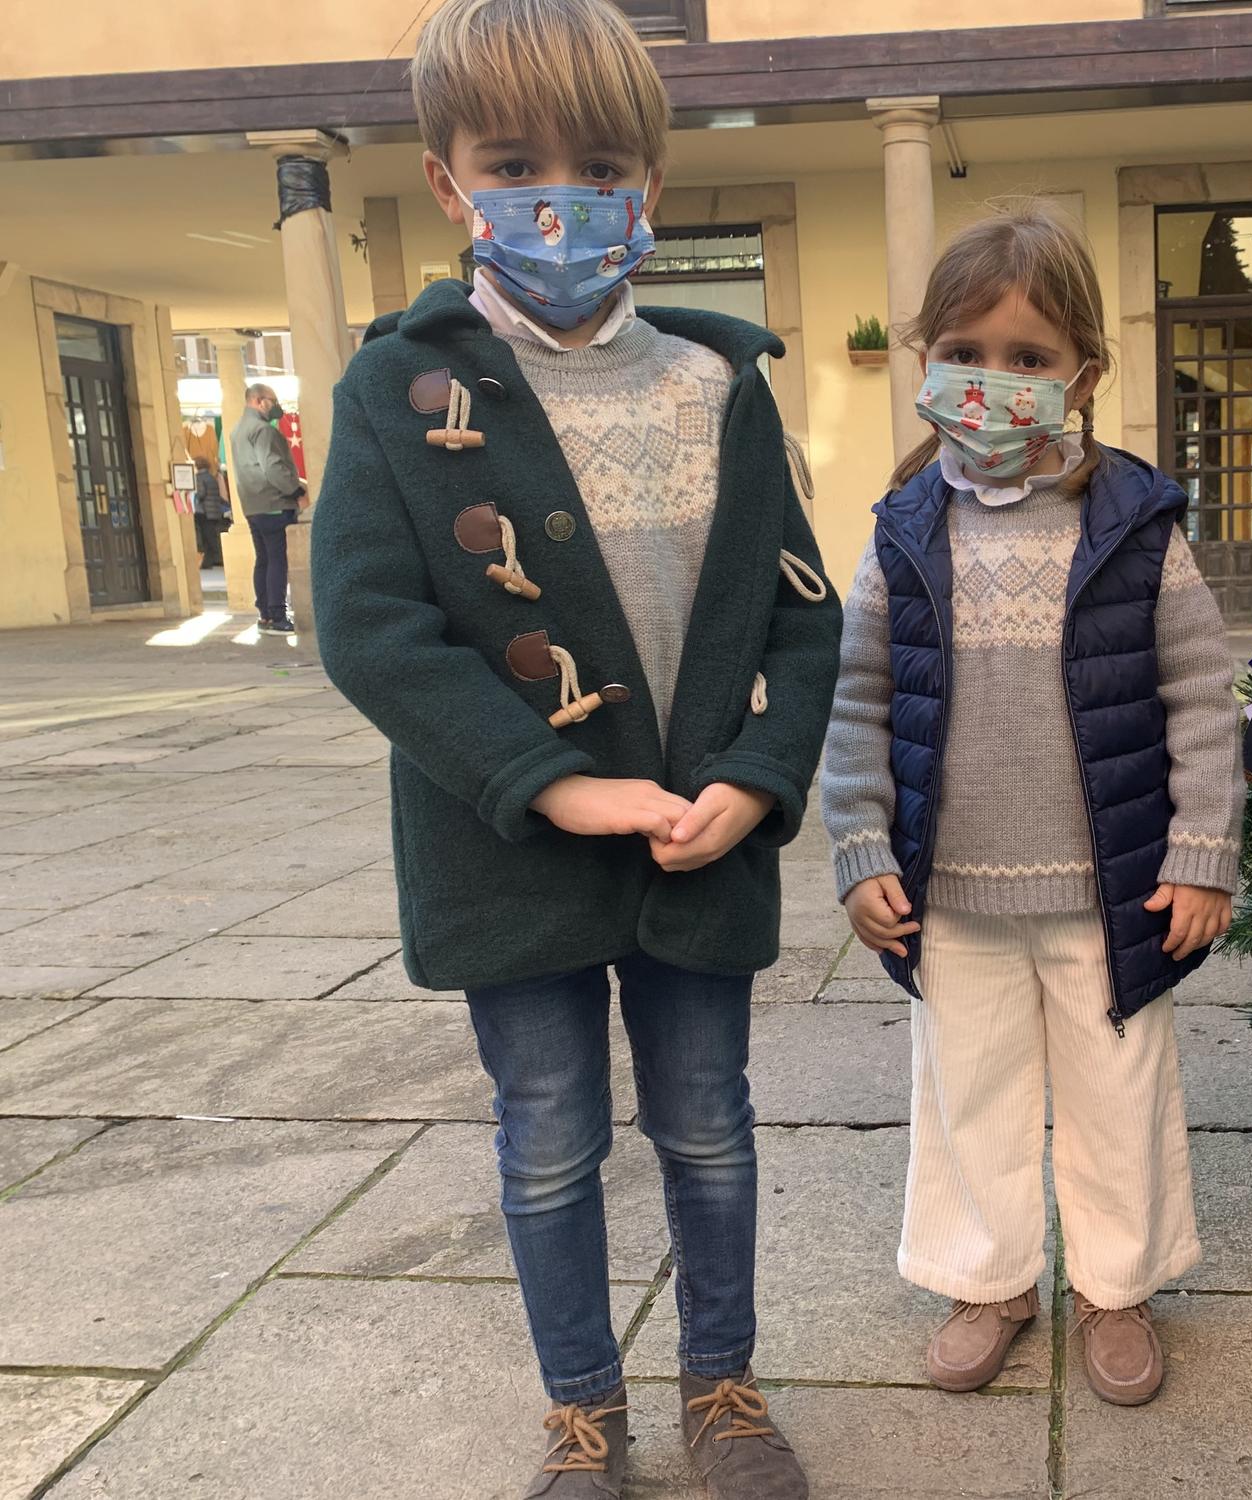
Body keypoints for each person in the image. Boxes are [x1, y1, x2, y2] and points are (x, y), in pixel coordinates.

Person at [309, 1, 841, 1494]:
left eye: (600, 162)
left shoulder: (718, 385)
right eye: (516, 159)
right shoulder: (394, 394)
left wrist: (758, 778)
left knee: (709, 1129)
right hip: (511, 858)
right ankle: (581, 1412)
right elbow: (370, 624)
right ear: (447, 181)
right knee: (548, 1138)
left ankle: (723, 1389)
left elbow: (804, 619)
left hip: (700, 845)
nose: (563, 192)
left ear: (650, 186)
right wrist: (548, 779)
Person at [820, 208, 1245, 1408]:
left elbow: (1202, 697)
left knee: (1118, 1090)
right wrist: (858, 844)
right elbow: (854, 696)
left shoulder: (1135, 530)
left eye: (1027, 358)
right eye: (963, 350)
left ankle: (1116, 1286)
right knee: (968, 1091)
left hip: (1109, 886)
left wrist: (1203, 849)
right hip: (946, 888)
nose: (991, 380)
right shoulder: (903, 536)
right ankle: (987, 1275)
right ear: (923, 363)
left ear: (1082, 376)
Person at [230, 383, 306, 630]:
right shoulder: (263, 431)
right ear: (258, 400)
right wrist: (296, 492)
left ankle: (264, 612)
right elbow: (273, 467)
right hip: (274, 503)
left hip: (252, 505)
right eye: (272, 400)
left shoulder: (237, 430)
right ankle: (277, 614)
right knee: (276, 560)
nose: (275, 406)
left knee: (263, 559)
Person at [190, 455, 230, 568]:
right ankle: (210, 560)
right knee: (211, 536)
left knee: (206, 538)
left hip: (204, 512)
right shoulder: (211, 477)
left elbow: (201, 493)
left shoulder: (199, 478)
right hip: (213, 511)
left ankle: (212, 560)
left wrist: (194, 497)